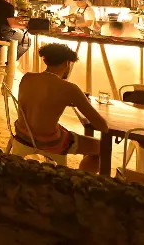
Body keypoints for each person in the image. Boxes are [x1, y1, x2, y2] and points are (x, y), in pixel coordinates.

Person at [16, 43, 108, 172]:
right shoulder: (69, 88)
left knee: (64, 131)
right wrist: (78, 99)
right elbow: (101, 126)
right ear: (66, 63)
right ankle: (82, 179)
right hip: (49, 141)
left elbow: (40, 100)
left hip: (22, 133)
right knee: (101, 147)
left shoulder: (27, 77)